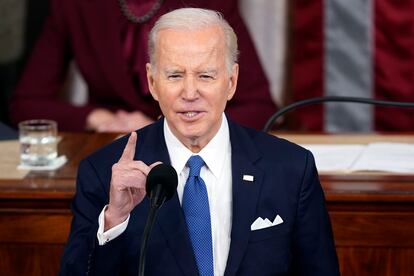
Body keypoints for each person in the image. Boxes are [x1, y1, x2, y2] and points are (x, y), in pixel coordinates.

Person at [59, 8, 339, 275]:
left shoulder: (291, 168)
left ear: (231, 81)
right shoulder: (103, 173)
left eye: (205, 75)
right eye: (175, 75)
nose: (190, 92)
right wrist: (115, 219)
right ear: (153, 81)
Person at [8, 0, 276, 132]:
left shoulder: (212, 3)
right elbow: (26, 104)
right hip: (111, 150)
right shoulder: (75, 5)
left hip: (192, 148)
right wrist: (100, 119)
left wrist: (167, 128)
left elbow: (260, 108)